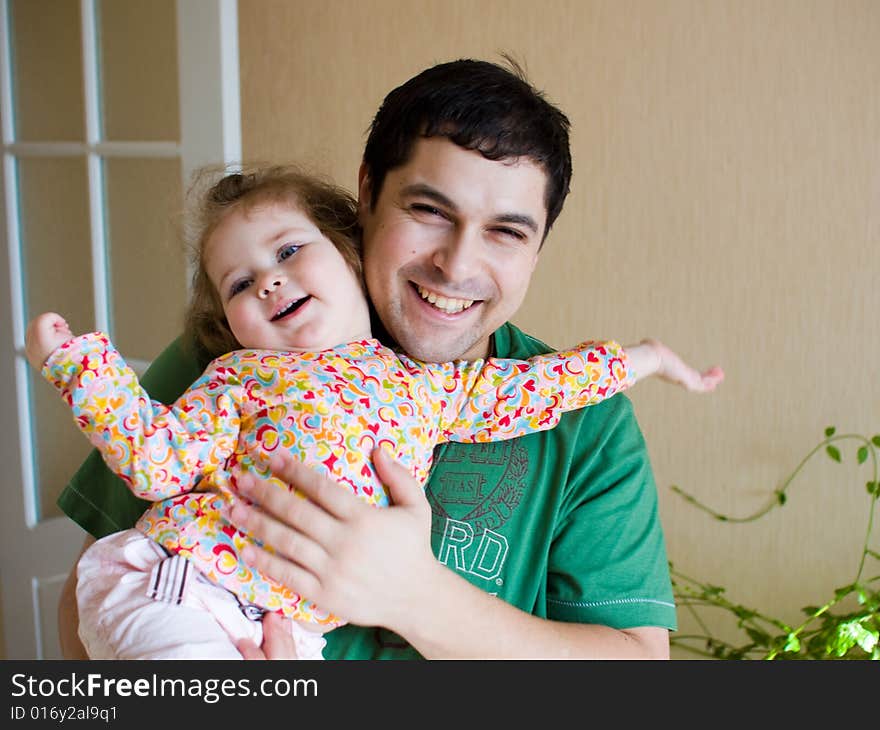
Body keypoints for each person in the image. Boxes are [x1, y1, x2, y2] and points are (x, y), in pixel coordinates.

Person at [56, 57, 714, 659]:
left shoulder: (589, 429)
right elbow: (88, 616)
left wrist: (416, 597)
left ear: (537, 250)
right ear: (367, 193)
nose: (456, 265)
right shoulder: (239, 354)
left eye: (507, 233)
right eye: (430, 211)